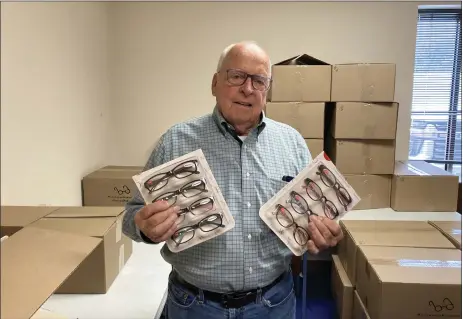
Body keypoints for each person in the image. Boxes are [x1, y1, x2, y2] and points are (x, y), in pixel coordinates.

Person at [122, 41, 344, 319]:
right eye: (236, 76)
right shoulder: (175, 141)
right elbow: (130, 216)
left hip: (273, 304)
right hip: (194, 305)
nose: (247, 88)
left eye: (259, 80)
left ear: (267, 90)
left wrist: (325, 231)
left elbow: (313, 218)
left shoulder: (292, 143)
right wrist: (144, 226)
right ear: (215, 84)